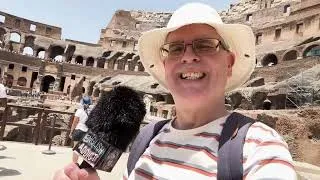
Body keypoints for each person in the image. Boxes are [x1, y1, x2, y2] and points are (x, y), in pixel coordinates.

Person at [54, 3, 296, 179]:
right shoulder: (145, 141)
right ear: (165, 65)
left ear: (229, 63)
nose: (189, 56)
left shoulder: (259, 147)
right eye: (175, 48)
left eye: (205, 45)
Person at [69, 96, 94, 163]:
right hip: (88, 132)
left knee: (75, 149)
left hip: (79, 130)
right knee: (86, 150)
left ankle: (75, 164)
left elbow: (75, 122)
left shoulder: (79, 111)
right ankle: (84, 165)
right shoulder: (92, 111)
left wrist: (71, 132)